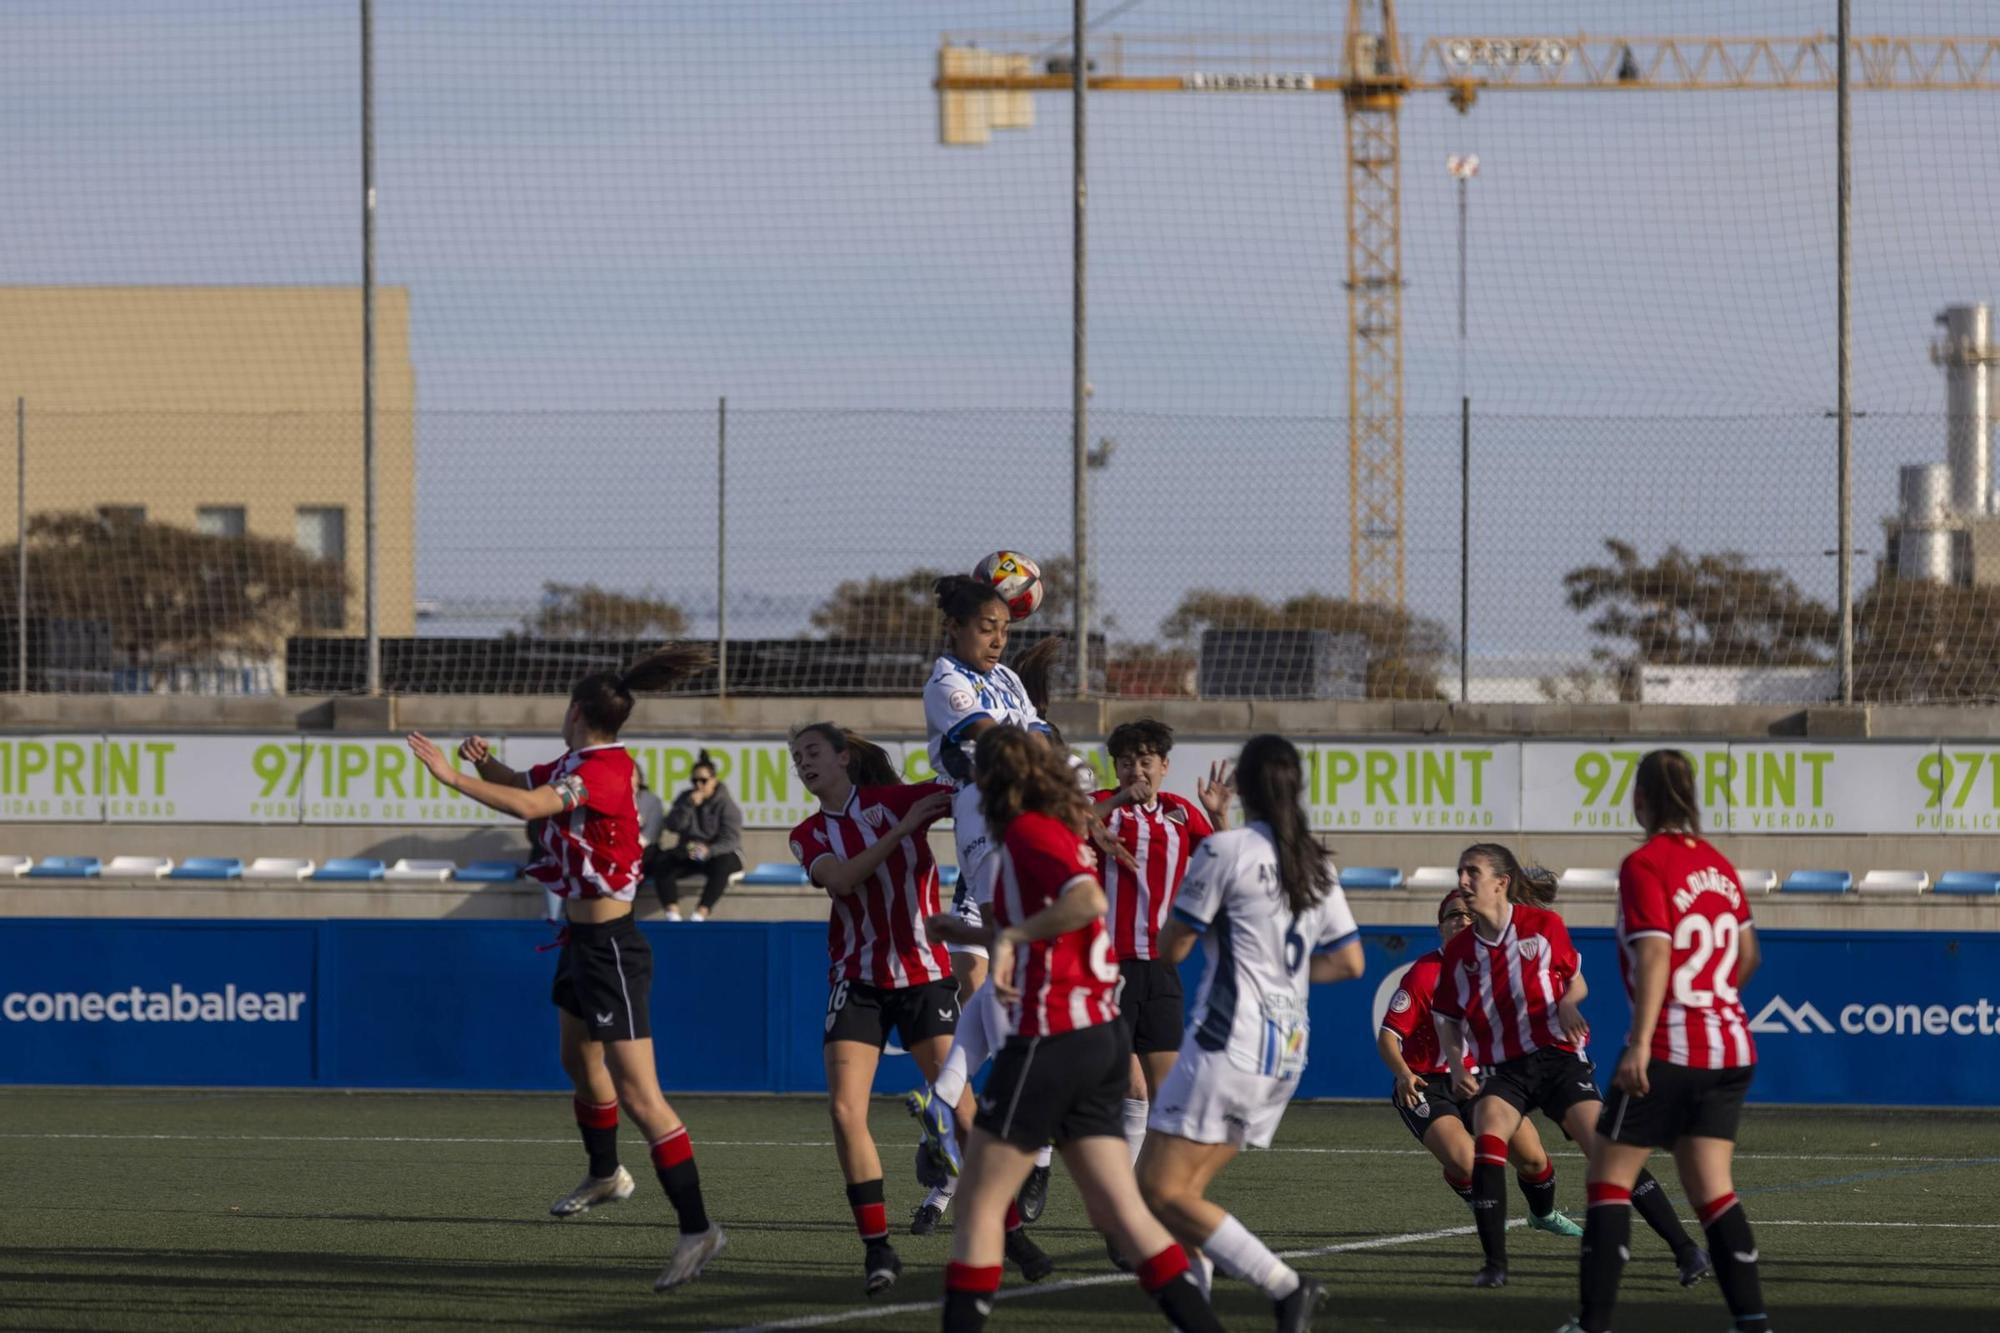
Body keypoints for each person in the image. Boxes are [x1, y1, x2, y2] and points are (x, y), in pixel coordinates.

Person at [404, 646, 726, 1294]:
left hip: (612, 945)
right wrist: (484, 761)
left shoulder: (607, 769)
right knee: (578, 1062)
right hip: (581, 940)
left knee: (641, 1095)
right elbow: (526, 784)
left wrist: (450, 776)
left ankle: (699, 1227)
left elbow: (532, 808)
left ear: (576, 711)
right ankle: (606, 1174)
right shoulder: (579, 761)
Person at [925, 725, 1223, 1333]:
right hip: (1094, 1037)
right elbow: (1059, 923)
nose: (968, 782)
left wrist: (1006, 936)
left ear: (996, 780)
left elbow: (1085, 902)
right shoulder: (1051, 830)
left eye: (973, 771)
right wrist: (976, 935)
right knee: (1121, 1214)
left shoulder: (1035, 830)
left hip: (1051, 1035)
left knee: (980, 1205)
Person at [1135, 734, 1364, 1333]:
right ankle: (1199, 1318)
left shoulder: (1226, 851)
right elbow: (1350, 962)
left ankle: (1285, 1286)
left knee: (1157, 1190)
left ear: (1248, 785)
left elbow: (1171, 948)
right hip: (1285, 1050)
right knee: (1186, 1198)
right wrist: (1280, 974)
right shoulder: (1315, 860)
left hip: (1226, 1044)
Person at [1431, 842, 1708, 1291]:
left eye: (1472, 873)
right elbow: (1447, 1017)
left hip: (1559, 1061)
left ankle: (1686, 1248)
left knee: (1607, 1152)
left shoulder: (1544, 926)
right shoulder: (1461, 951)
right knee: (1489, 1138)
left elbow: (1575, 979)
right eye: (1461, 872)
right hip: (1505, 1069)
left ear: (1501, 883)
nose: (1463, 881)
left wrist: (1566, 1003)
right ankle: (1495, 1265)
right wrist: (1459, 1063)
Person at [1561, 750, 1767, 1333]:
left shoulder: (1645, 863)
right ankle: (1752, 1321)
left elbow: (1655, 951)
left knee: (1607, 1178)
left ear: (1640, 800)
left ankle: (1591, 1324)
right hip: (1729, 1047)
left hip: (1671, 1049)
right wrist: (1713, 1001)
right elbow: (1749, 955)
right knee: (1713, 1190)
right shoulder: (1721, 865)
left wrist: (1641, 1041)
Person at [785, 722, 966, 1297]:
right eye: (796, 757)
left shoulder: (898, 799)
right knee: (843, 1111)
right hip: (857, 980)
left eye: (812, 752)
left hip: (924, 976)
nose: (803, 763)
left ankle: (1004, 1225)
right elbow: (841, 879)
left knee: (963, 1108)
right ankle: (878, 1248)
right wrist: (905, 832)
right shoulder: (806, 834)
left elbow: (974, 793)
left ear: (843, 757)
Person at [905, 587, 1060, 1226]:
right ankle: (1033, 1150)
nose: (998, 639)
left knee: (1003, 1000)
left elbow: (1044, 738)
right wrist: (1038, 750)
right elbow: (996, 741)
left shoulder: (1009, 682)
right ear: (956, 628)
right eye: (987, 628)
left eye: (1004, 629)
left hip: (1026, 826)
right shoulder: (947, 681)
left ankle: (946, 1106)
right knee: (1010, 989)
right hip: (988, 830)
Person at [1375, 887, 1582, 1238]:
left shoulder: (1494, 966)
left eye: (1469, 914)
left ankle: (1542, 1214)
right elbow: (1388, 1036)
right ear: (1440, 927)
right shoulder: (1425, 974)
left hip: (1480, 1078)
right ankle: (1474, 1195)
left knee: (1533, 1160)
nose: (1462, 920)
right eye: (1453, 915)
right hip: (1428, 1084)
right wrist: (1403, 1074)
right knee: (1468, 1163)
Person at [1094, 718, 1234, 1164]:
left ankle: (1142, 1190)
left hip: (1160, 967)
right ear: (1115, 769)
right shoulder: (1101, 807)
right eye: (1127, 762)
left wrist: (1218, 817)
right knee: (1128, 1086)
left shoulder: (1179, 812)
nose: (1137, 770)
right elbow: (1063, 826)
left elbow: (1225, 865)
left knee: (1166, 1093)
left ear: (1164, 766)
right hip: (1108, 967)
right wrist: (1117, 799)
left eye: (1146, 761)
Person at [650, 749, 744, 921]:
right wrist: (687, 807)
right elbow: (672, 825)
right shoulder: (685, 798)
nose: (698, 785)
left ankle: (700, 914)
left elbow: (730, 840)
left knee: (723, 865)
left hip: (717, 854)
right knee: (662, 861)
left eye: (703, 780)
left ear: (714, 781)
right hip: (691, 853)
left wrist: (708, 850)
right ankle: (673, 915)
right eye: (694, 781)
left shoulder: (726, 805)